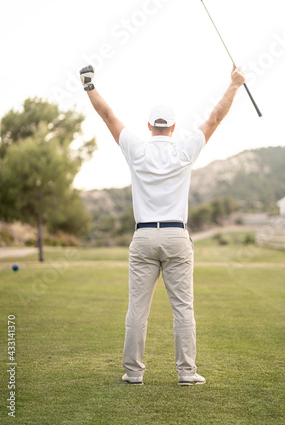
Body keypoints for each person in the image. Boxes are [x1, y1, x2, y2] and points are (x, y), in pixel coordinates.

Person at [80, 64, 246, 385]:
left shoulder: (136, 148)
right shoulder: (183, 149)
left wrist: (89, 85)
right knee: (183, 308)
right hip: (175, 236)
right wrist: (234, 85)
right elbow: (214, 119)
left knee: (137, 311)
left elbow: (108, 115)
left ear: (149, 126)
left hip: (143, 237)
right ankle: (186, 373)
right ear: (172, 128)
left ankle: (133, 373)